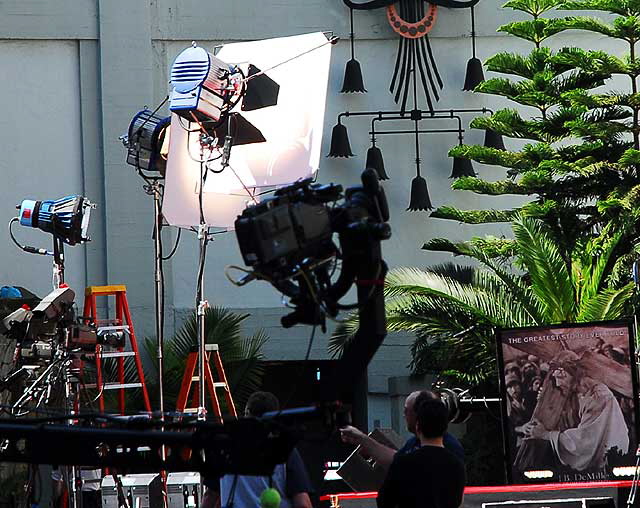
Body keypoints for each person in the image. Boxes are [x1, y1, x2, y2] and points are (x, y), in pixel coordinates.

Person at [521, 350, 629, 472]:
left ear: (564, 373)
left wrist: (546, 435)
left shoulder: (598, 396)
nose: (561, 389)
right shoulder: (576, 394)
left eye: (561, 384)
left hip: (611, 463)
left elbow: (584, 441)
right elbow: (567, 424)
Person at [204, 391, 313, 508]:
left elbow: (210, 497)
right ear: (275, 418)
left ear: (247, 413)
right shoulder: (285, 449)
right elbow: (302, 504)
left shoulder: (223, 449)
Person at [376, 395, 465, 508]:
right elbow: (457, 501)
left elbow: (384, 500)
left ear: (418, 426)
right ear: (445, 428)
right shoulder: (456, 465)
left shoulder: (403, 462)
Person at [340, 390, 464, 470]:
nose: (404, 415)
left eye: (406, 410)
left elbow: (400, 463)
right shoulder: (413, 443)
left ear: (419, 415)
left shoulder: (450, 448)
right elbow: (398, 461)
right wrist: (362, 439)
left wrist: (363, 439)